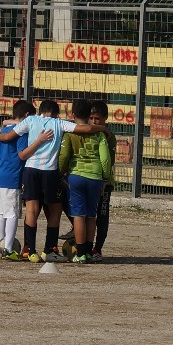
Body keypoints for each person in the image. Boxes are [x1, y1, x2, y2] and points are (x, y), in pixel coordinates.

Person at [0, 99, 109, 264]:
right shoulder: (59, 123)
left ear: (40, 111)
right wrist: (102, 128)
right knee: (55, 210)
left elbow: (8, 135)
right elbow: (87, 128)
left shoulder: (30, 120)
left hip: (30, 170)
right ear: (57, 113)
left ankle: (30, 251)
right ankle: (49, 249)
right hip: (49, 171)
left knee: (31, 210)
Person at [0, 100, 53, 261]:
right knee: (12, 214)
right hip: (12, 178)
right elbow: (22, 154)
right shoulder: (22, 133)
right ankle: (8, 248)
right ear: (27, 116)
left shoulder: (4, 130)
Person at [58, 99, 111, 264]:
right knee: (91, 216)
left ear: (72, 115)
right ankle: (89, 251)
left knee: (78, 216)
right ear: (89, 115)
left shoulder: (70, 134)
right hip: (95, 177)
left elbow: (64, 157)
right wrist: (105, 178)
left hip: (77, 177)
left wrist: (60, 174)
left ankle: (80, 253)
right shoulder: (100, 134)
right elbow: (105, 159)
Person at [89, 100, 117, 262]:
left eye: (97, 119)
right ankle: (84, 244)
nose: (93, 122)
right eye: (91, 118)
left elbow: (109, 161)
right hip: (89, 179)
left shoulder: (109, 137)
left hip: (104, 183)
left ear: (105, 118)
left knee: (102, 216)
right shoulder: (85, 132)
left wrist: (104, 180)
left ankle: (98, 248)